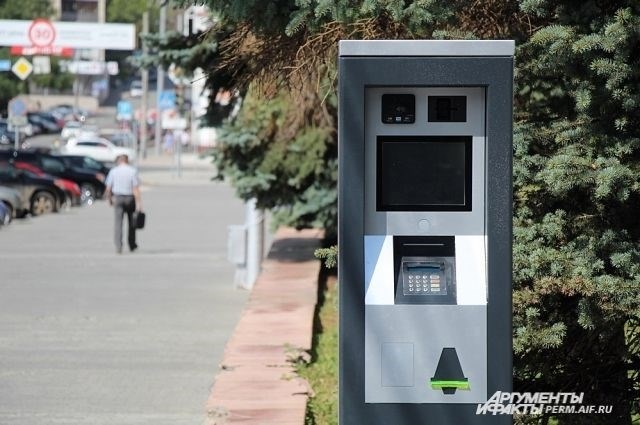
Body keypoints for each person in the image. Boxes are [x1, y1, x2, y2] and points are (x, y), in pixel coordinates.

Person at [104, 154, 143, 254]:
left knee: (118, 223)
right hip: (130, 198)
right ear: (127, 161)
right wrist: (139, 203)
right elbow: (135, 188)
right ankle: (132, 244)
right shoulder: (132, 171)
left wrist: (110, 200)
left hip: (118, 198)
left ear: (119, 161)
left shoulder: (113, 171)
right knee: (132, 223)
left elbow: (108, 188)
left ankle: (118, 246)